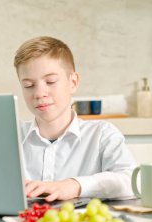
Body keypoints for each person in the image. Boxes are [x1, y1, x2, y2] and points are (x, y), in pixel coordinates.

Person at [14, 36, 137, 202]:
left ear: (73, 82)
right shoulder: (12, 136)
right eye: (28, 85)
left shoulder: (101, 134)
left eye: (50, 81)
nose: (39, 93)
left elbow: (132, 181)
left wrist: (75, 185)